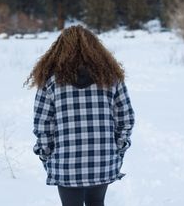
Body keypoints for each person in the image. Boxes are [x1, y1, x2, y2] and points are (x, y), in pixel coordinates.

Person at [25, 25, 135, 206]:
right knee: (96, 203)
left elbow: (43, 125)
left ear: (59, 50)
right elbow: (126, 120)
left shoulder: (50, 82)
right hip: (103, 161)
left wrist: (47, 157)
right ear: (95, 49)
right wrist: (116, 151)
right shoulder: (111, 79)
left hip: (66, 164)